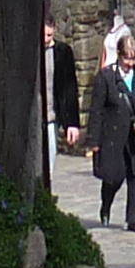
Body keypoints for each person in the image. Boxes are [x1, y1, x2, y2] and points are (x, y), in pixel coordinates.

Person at [87, 22, 135, 234]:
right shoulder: (107, 78)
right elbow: (96, 110)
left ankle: (134, 220)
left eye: (133, 58)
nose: (130, 63)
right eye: (126, 58)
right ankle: (106, 205)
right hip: (113, 136)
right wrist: (93, 142)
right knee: (114, 177)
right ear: (118, 55)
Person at [45, 14, 83, 161]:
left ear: (54, 30)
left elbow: (69, 89)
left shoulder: (62, 52)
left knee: (49, 165)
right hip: (32, 119)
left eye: (49, 35)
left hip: (51, 117)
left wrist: (72, 123)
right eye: (43, 35)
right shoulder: (29, 52)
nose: (46, 39)